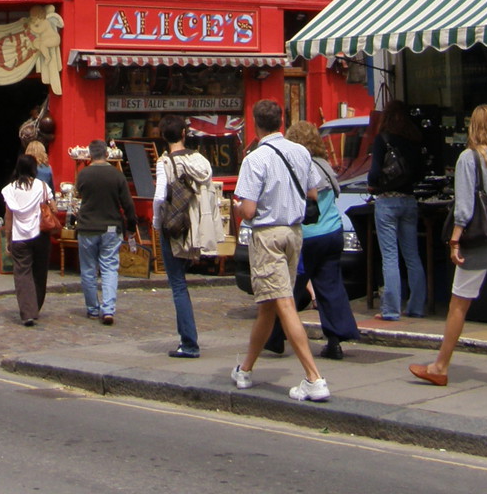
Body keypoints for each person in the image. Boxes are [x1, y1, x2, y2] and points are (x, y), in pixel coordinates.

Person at [408, 104, 487, 393]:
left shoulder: (468, 158)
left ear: (474, 127)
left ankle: (440, 367)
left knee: (458, 305)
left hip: (479, 242)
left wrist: (454, 239)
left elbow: (464, 206)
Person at [231, 99, 330, 402]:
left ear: (255, 122)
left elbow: (248, 210)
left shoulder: (255, 158)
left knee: (284, 304)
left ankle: (314, 378)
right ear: (281, 120)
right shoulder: (300, 151)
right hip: (295, 233)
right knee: (269, 306)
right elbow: (313, 191)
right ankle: (245, 369)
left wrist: (237, 208)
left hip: (268, 235)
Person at [288, 119, 360, 360]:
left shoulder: (301, 167)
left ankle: (274, 337)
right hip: (333, 232)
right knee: (330, 286)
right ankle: (335, 338)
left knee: (288, 290)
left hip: (308, 236)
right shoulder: (326, 165)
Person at [150, 114, 217, 358]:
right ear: (183, 134)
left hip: (175, 227)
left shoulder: (165, 162)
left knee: (178, 284)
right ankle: (187, 340)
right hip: (197, 227)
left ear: (163, 137)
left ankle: (188, 343)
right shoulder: (200, 160)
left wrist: (158, 224)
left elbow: (159, 197)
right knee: (181, 282)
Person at [368, 99, 426, 320]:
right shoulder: (413, 139)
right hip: (409, 200)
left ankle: (391, 310)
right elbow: (421, 173)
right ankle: (416, 306)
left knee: (390, 256)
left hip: (387, 201)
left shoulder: (382, 140)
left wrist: (377, 182)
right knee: (412, 255)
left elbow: (373, 174)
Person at [74, 139, 137, 324]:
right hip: (111, 226)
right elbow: (128, 204)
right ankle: (108, 309)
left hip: (87, 226)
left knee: (88, 269)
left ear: (90, 155)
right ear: (106, 154)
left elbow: (79, 197)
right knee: (109, 268)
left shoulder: (83, 175)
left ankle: (93, 308)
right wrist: (131, 227)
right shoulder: (117, 176)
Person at [1, 153, 54, 326]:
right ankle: (35, 307)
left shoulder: (10, 189)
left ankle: (27, 312)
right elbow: (53, 206)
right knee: (39, 273)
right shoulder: (42, 186)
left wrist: (8, 238)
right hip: (41, 234)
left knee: (22, 274)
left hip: (19, 236)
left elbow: (9, 216)